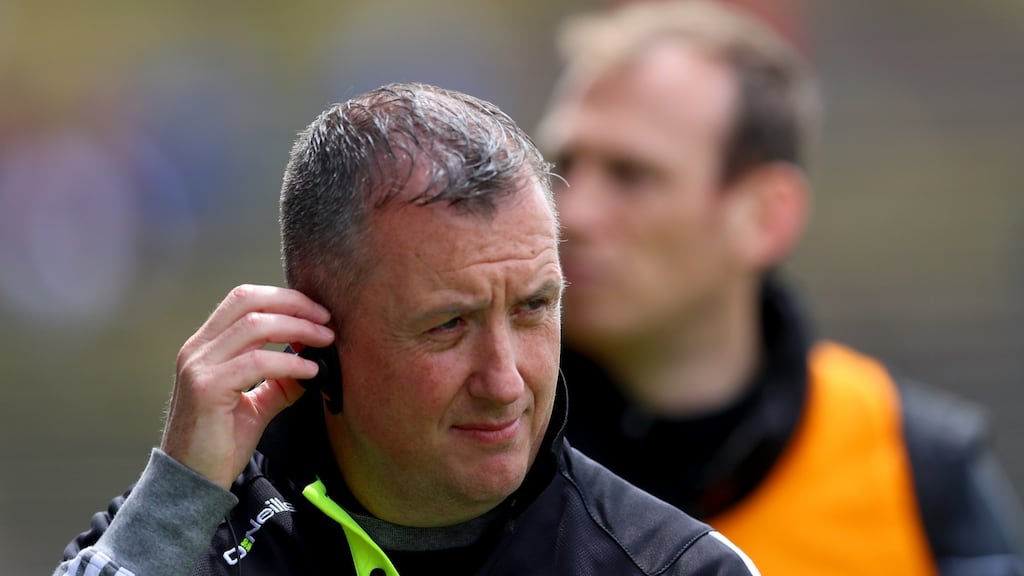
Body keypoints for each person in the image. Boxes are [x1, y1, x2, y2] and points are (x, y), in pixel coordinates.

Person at [54, 82, 759, 576]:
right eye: (449, 325)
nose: (505, 381)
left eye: (533, 309)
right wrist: (178, 496)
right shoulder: (177, 542)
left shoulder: (677, 567)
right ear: (313, 342)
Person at [536, 2, 1023, 575]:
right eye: (564, 166)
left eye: (631, 175)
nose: (572, 212)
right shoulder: (482, 441)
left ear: (766, 217)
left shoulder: (916, 466)